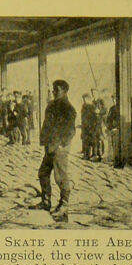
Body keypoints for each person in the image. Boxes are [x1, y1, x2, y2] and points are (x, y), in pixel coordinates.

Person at [37, 78, 77, 221]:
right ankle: (46, 202)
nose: (54, 92)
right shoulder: (52, 105)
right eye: (53, 89)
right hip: (50, 146)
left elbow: (71, 130)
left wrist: (61, 144)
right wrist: (45, 141)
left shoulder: (68, 108)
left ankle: (64, 206)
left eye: (57, 90)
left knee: (61, 177)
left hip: (60, 148)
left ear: (65, 91)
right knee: (43, 173)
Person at [80, 92, 97, 160]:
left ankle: (94, 155)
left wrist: (92, 125)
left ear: (88, 99)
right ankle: (86, 155)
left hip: (91, 126)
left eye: (85, 99)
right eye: (83, 99)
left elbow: (94, 117)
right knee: (85, 140)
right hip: (85, 126)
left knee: (93, 141)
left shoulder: (92, 106)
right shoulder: (84, 106)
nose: (84, 100)